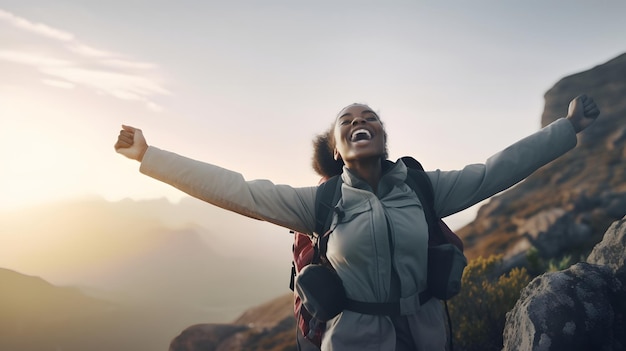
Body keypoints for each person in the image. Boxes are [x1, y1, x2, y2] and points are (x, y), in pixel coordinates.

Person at [114, 95, 600, 351]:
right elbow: (237, 189)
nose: (357, 121)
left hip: (429, 331)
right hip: (353, 342)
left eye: (368, 117)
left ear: (383, 136)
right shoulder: (320, 203)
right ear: (336, 146)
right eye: (345, 120)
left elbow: (497, 170)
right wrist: (149, 156)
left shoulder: (423, 188)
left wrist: (567, 128)